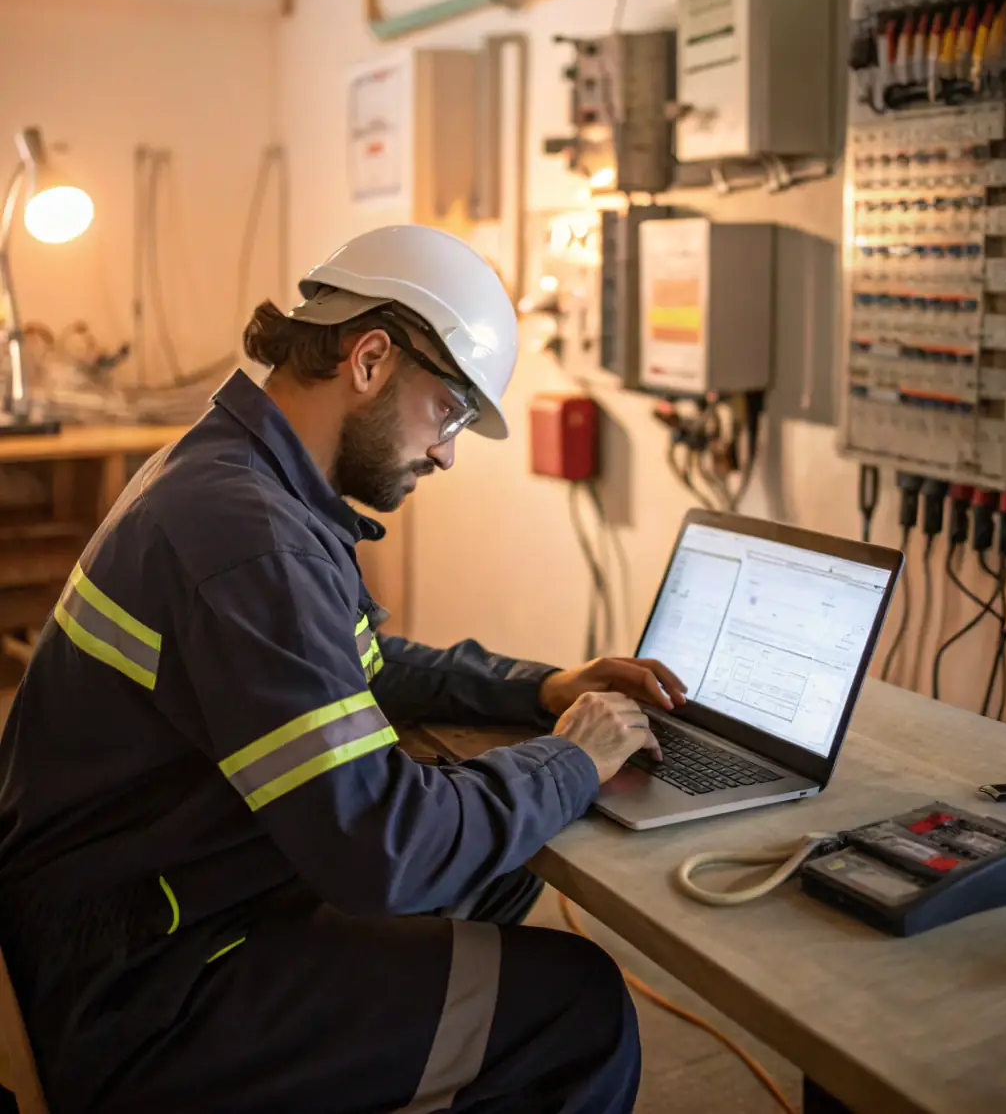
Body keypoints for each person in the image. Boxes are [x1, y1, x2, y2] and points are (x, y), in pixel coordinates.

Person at [0, 224, 687, 1114]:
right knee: (577, 1006)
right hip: (150, 991)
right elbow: (383, 851)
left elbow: (343, 661)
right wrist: (568, 757)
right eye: (449, 413)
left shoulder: (236, 475)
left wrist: (539, 689)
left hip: (140, 914)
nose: (445, 452)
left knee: (497, 865)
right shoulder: (248, 536)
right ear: (369, 359)